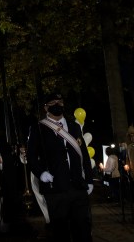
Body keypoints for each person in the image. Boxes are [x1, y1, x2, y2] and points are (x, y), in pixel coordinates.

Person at [26, 92, 94, 241]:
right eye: (53, 103)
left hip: (78, 187)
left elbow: (84, 156)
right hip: (54, 188)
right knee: (61, 232)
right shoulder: (38, 128)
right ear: (46, 108)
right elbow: (30, 157)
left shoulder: (74, 127)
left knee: (83, 230)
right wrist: (41, 173)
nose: (57, 105)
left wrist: (89, 179)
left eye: (60, 102)